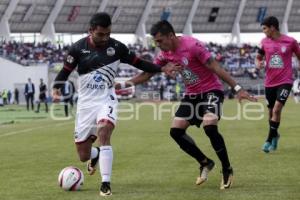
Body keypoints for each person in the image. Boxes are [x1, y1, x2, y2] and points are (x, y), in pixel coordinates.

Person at [116, 20, 257, 190]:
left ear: (171, 35)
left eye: (160, 41)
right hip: (192, 94)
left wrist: (237, 88)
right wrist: (123, 85)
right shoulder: (164, 55)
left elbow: (214, 66)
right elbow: (148, 73)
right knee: (176, 131)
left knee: (210, 125)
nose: (158, 45)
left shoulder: (192, 46)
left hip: (211, 90)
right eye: (156, 42)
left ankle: (227, 169)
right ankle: (205, 162)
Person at [51, 13, 180, 196]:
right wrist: (56, 88)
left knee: (104, 130)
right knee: (83, 155)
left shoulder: (117, 47)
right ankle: (95, 156)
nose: (105, 38)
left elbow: (140, 63)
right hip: (86, 103)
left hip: (106, 97)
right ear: (91, 31)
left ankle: (105, 183)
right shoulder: (78, 48)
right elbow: (65, 72)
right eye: (101, 34)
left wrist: (161, 68)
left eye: (108, 34)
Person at [255, 16, 300, 153]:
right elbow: (258, 58)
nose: (263, 31)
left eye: (264, 28)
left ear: (272, 27)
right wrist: (259, 65)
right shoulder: (264, 42)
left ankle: (268, 140)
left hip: (285, 81)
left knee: (277, 109)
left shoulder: (291, 41)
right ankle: (275, 135)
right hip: (269, 82)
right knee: (271, 112)